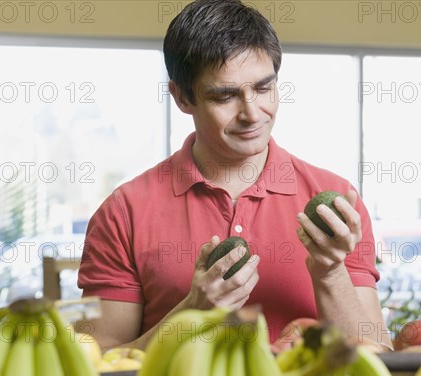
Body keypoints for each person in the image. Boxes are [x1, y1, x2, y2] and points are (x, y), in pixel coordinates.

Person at [77, 0, 392, 351]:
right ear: (182, 97)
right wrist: (193, 309)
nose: (252, 113)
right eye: (225, 95)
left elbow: (376, 356)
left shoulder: (336, 200)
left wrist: (331, 270)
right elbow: (101, 369)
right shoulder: (124, 212)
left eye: (263, 88)